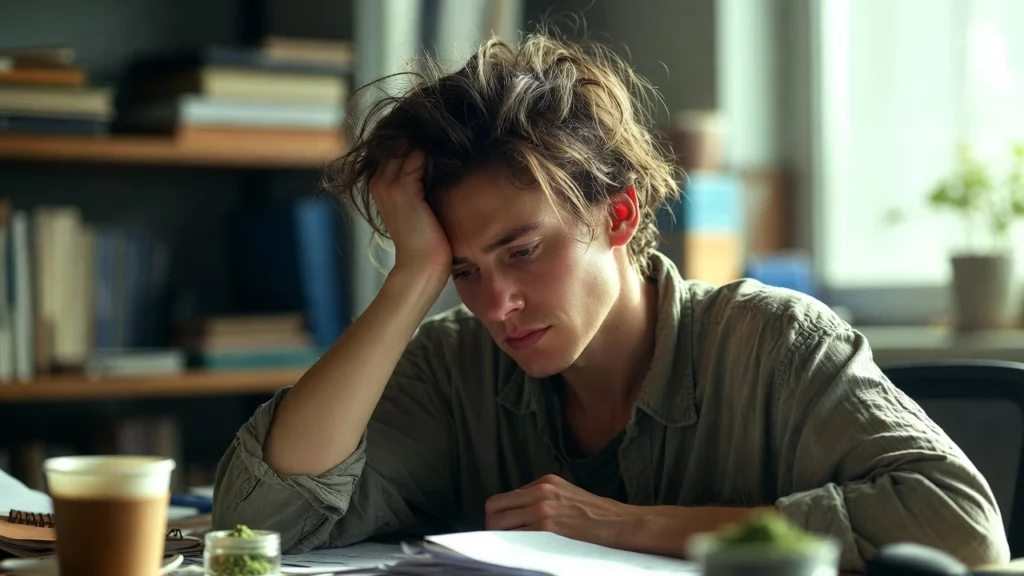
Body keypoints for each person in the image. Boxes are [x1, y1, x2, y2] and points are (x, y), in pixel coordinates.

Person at [211, 29, 1009, 572]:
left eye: (523, 252)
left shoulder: (774, 345)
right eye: (463, 270)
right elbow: (259, 523)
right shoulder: (453, 365)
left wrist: (624, 528)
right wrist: (411, 279)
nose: (498, 305)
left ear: (619, 214)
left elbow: (960, 524)